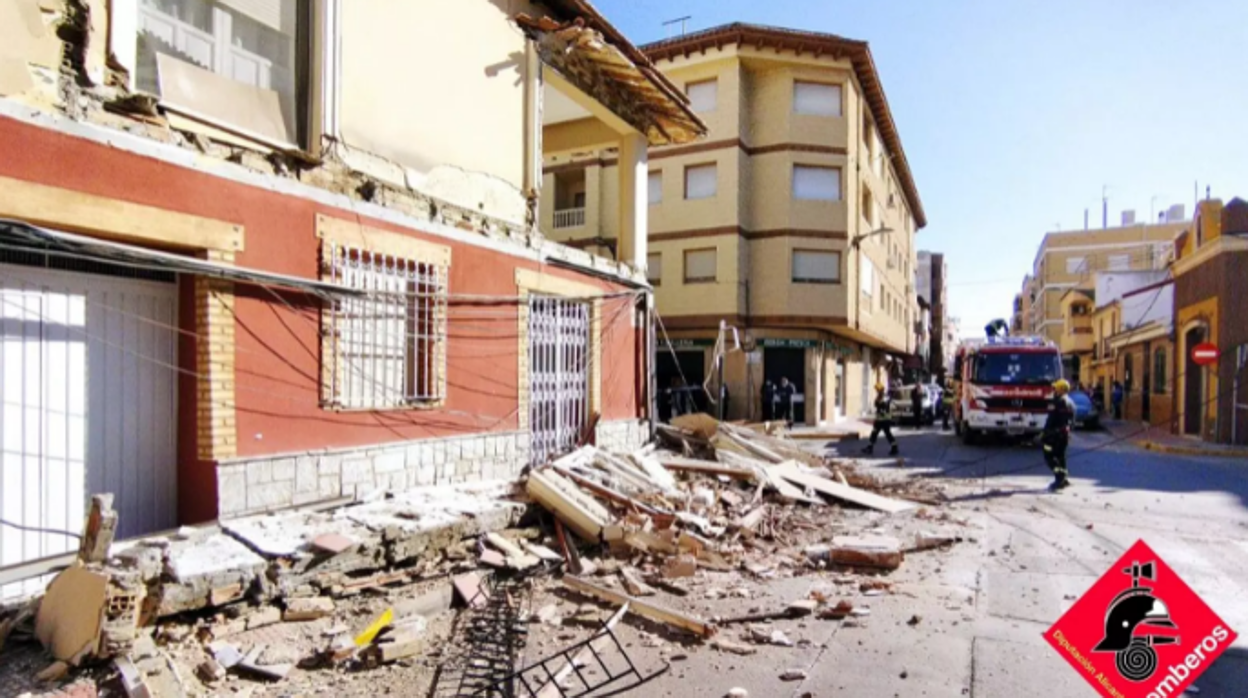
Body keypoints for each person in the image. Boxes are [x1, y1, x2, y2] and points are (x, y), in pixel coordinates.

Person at [1042, 379, 1076, 490]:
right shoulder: (1071, 402)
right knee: (1061, 457)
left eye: (1056, 388)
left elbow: (1053, 419)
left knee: (1049, 456)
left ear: (1061, 390)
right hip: (1064, 435)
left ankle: (1059, 478)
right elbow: (1071, 421)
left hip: (1054, 435)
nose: (1054, 390)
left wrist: (1047, 433)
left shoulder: (1059, 402)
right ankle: (1064, 478)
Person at [862, 383, 898, 456]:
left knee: (888, 434)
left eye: (877, 390)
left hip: (884, 420)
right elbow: (877, 404)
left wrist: (879, 400)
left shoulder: (884, 397)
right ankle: (870, 447)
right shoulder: (881, 396)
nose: (877, 391)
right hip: (879, 420)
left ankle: (894, 447)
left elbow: (881, 405)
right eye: (877, 390)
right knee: (874, 433)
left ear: (881, 390)